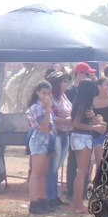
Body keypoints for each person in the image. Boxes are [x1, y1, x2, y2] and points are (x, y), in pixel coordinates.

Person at [68, 80, 107, 212]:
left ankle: (77, 203)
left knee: (82, 172)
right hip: (81, 137)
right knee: (82, 172)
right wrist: (94, 127)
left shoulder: (82, 103)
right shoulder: (83, 103)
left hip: (80, 137)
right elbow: (75, 123)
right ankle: (77, 205)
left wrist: (94, 118)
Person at [43, 71, 72, 207]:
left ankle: (54, 195)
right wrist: (66, 120)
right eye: (64, 81)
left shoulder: (63, 96)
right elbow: (51, 117)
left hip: (65, 133)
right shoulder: (51, 98)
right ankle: (50, 196)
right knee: (52, 168)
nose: (66, 84)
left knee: (57, 166)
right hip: (56, 133)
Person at [26, 81, 54, 214]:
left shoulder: (44, 106)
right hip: (39, 139)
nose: (46, 96)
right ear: (37, 93)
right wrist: (48, 109)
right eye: (43, 93)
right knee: (36, 173)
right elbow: (43, 125)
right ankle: (33, 202)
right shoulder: (36, 108)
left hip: (47, 139)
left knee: (43, 172)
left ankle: (42, 199)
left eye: (48, 93)